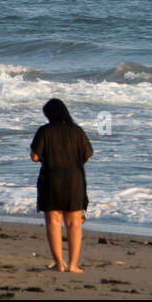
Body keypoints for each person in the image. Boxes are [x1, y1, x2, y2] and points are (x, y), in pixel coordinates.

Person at [30, 98, 93, 273]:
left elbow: (35, 157)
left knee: (54, 222)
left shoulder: (44, 131)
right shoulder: (77, 131)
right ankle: (73, 265)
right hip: (74, 180)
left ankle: (59, 264)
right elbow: (88, 156)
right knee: (74, 223)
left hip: (51, 179)